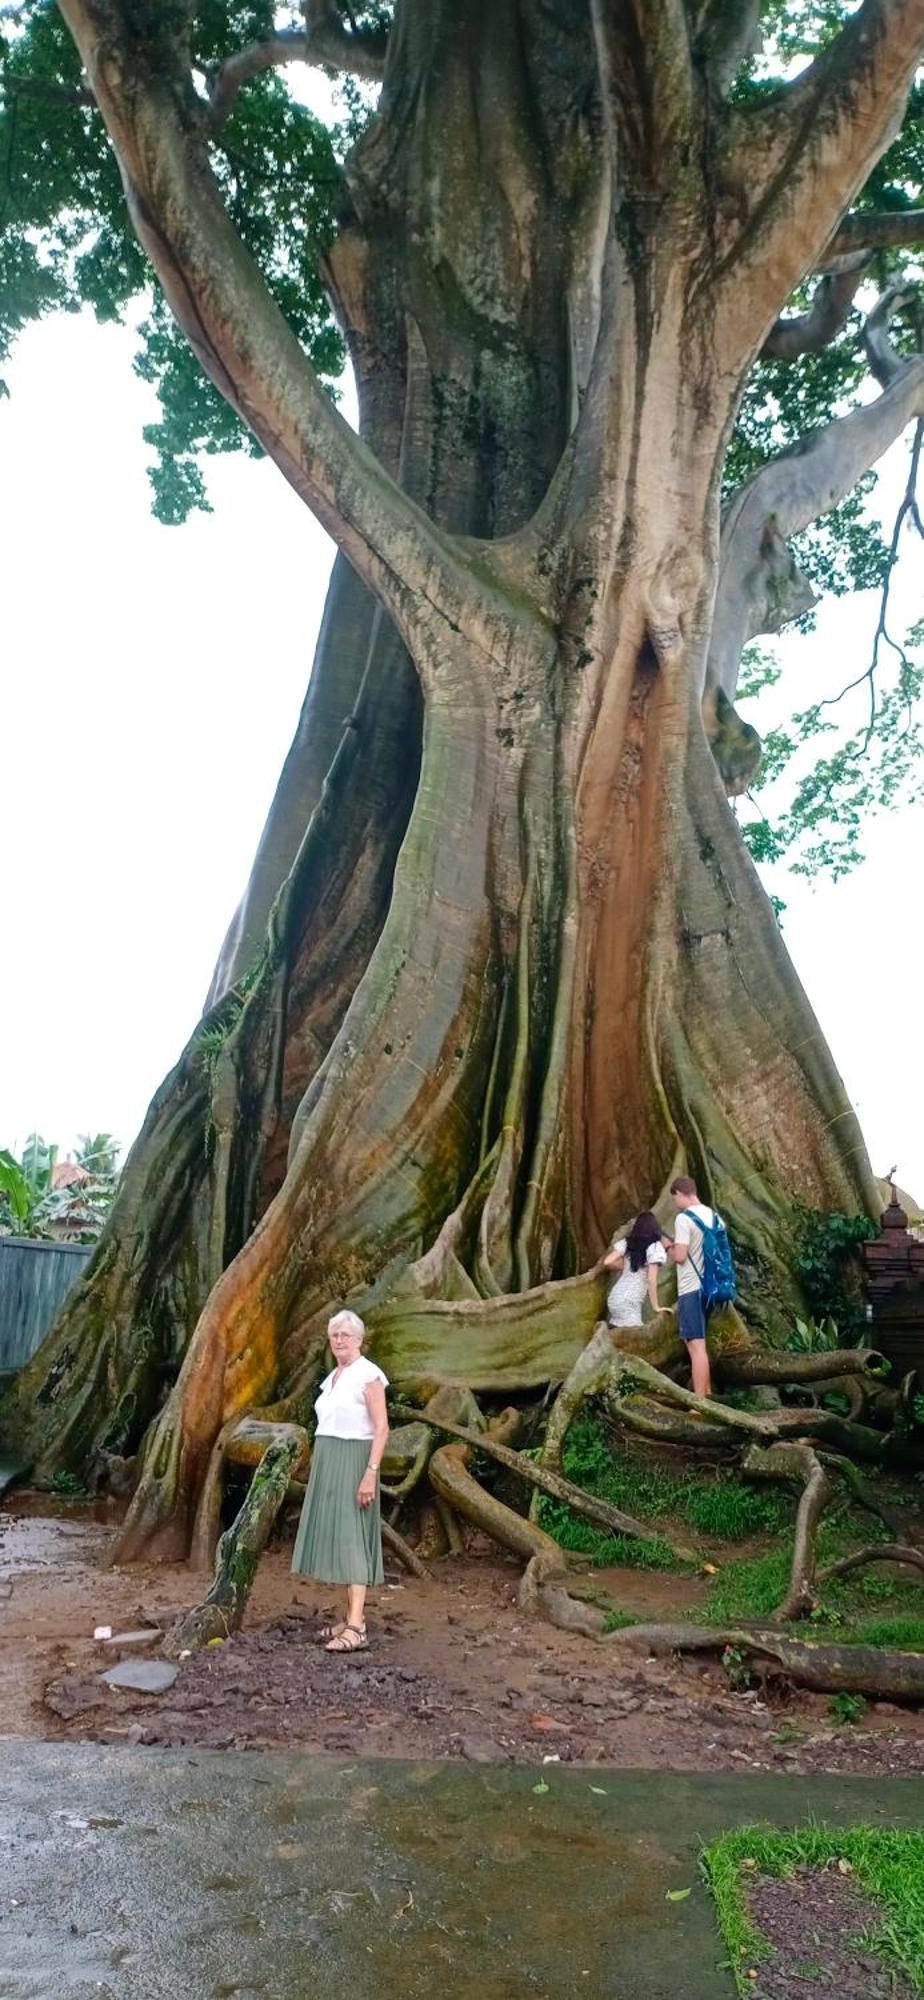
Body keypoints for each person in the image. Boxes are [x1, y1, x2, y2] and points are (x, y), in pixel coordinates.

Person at [291, 1308, 389, 1654]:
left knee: (352, 1538)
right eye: (334, 1334)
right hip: (329, 1457)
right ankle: (348, 1617)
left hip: (355, 1460)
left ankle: (357, 1627)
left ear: (360, 1339)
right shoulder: (334, 1376)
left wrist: (370, 1473)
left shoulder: (369, 1375)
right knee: (337, 1534)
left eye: (346, 1334)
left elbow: (381, 1428)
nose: (339, 1339)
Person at [667, 1176, 713, 1398]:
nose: (675, 1203)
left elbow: (681, 1256)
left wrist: (670, 1249)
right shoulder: (713, 1216)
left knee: (696, 1347)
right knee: (700, 1344)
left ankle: (699, 1402)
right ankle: (708, 1391)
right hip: (710, 1288)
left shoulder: (684, 1219)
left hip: (691, 1288)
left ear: (681, 1193)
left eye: (675, 1198)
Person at [603, 1210, 671, 1329]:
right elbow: (651, 1280)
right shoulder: (655, 1247)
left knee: (621, 1335)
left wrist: (627, 1264)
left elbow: (607, 1261)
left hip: (614, 1298)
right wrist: (656, 1307)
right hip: (630, 1301)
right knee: (636, 1336)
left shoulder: (628, 1243)